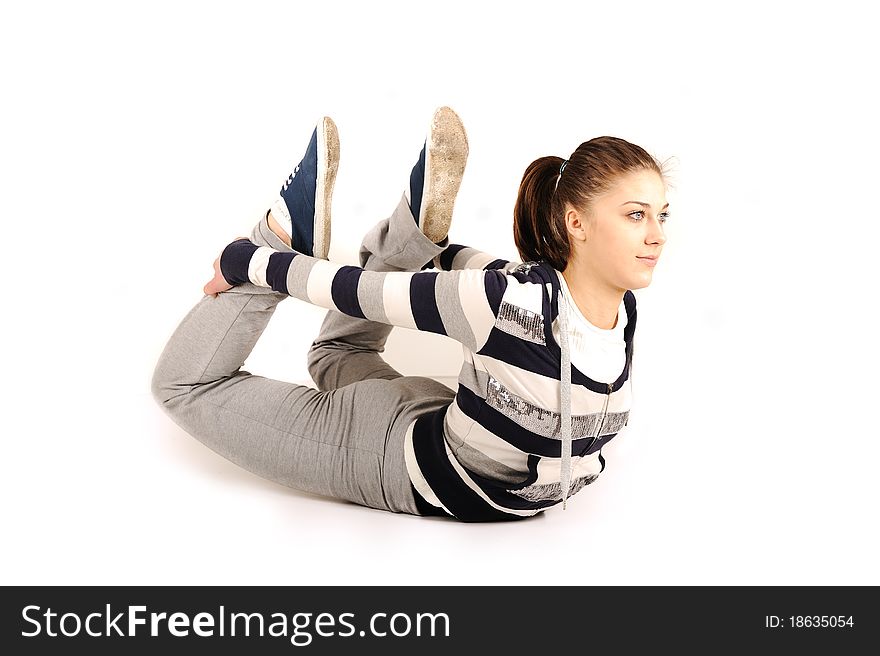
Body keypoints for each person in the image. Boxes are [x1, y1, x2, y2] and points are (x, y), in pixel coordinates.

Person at [151, 106, 670, 523]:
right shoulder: (505, 301)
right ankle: (282, 234)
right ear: (576, 223)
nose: (657, 235)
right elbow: (356, 292)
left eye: (661, 215)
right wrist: (251, 259)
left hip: (436, 430)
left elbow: (490, 274)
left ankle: (407, 234)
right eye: (635, 214)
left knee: (337, 354)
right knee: (182, 385)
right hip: (396, 455)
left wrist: (433, 246)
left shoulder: (617, 310)